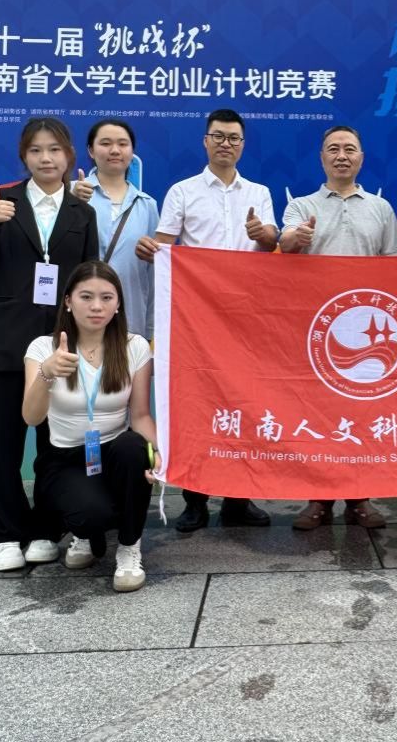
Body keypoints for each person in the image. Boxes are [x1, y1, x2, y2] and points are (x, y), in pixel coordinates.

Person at [0, 117, 99, 572]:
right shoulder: (0, 201)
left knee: (53, 443)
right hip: (5, 342)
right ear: (24, 156)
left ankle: (45, 528)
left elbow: (89, 280)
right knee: (2, 443)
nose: (46, 158)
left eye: (55, 150)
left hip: (60, 345)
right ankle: (4, 533)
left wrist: (87, 342)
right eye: (36, 150)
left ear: (69, 156)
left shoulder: (82, 212)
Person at [155, 108, 277, 532]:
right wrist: (152, 250)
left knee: (245, 403)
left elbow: (271, 245)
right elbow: (165, 248)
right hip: (198, 320)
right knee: (199, 407)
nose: (226, 144)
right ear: (205, 141)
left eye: (234, 138)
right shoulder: (182, 192)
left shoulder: (259, 193)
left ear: (243, 145)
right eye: (219, 136)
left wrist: (264, 236)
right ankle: (195, 500)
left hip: (247, 319)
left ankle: (239, 499)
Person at [280, 125, 397, 531]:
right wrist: (297, 238)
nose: (342, 156)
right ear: (322, 158)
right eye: (333, 149)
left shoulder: (381, 208)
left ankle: (359, 498)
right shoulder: (301, 205)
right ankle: (318, 499)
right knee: (317, 414)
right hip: (316, 329)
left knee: (361, 414)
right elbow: (284, 244)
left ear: (361, 158)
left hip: (366, 328)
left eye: (350, 149)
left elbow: (394, 265)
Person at [23, 261, 159, 592]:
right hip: (65, 457)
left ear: (118, 304)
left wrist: (158, 454)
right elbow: (32, 417)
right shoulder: (42, 348)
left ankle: (129, 547)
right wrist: (46, 373)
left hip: (113, 452)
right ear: (68, 301)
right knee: (89, 515)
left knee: (134, 449)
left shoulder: (135, 347)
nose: (96, 306)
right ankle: (84, 532)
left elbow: (141, 415)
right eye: (86, 297)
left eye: (106, 298)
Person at [70, 118, 161, 339]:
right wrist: (69, 203)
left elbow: (153, 273)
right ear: (91, 150)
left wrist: (151, 327)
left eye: (122, 144)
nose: (115, 150)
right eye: (105, 143)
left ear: (132, 151)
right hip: (77, 316)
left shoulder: (147, 205)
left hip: (130, 318)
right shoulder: (70, 193)